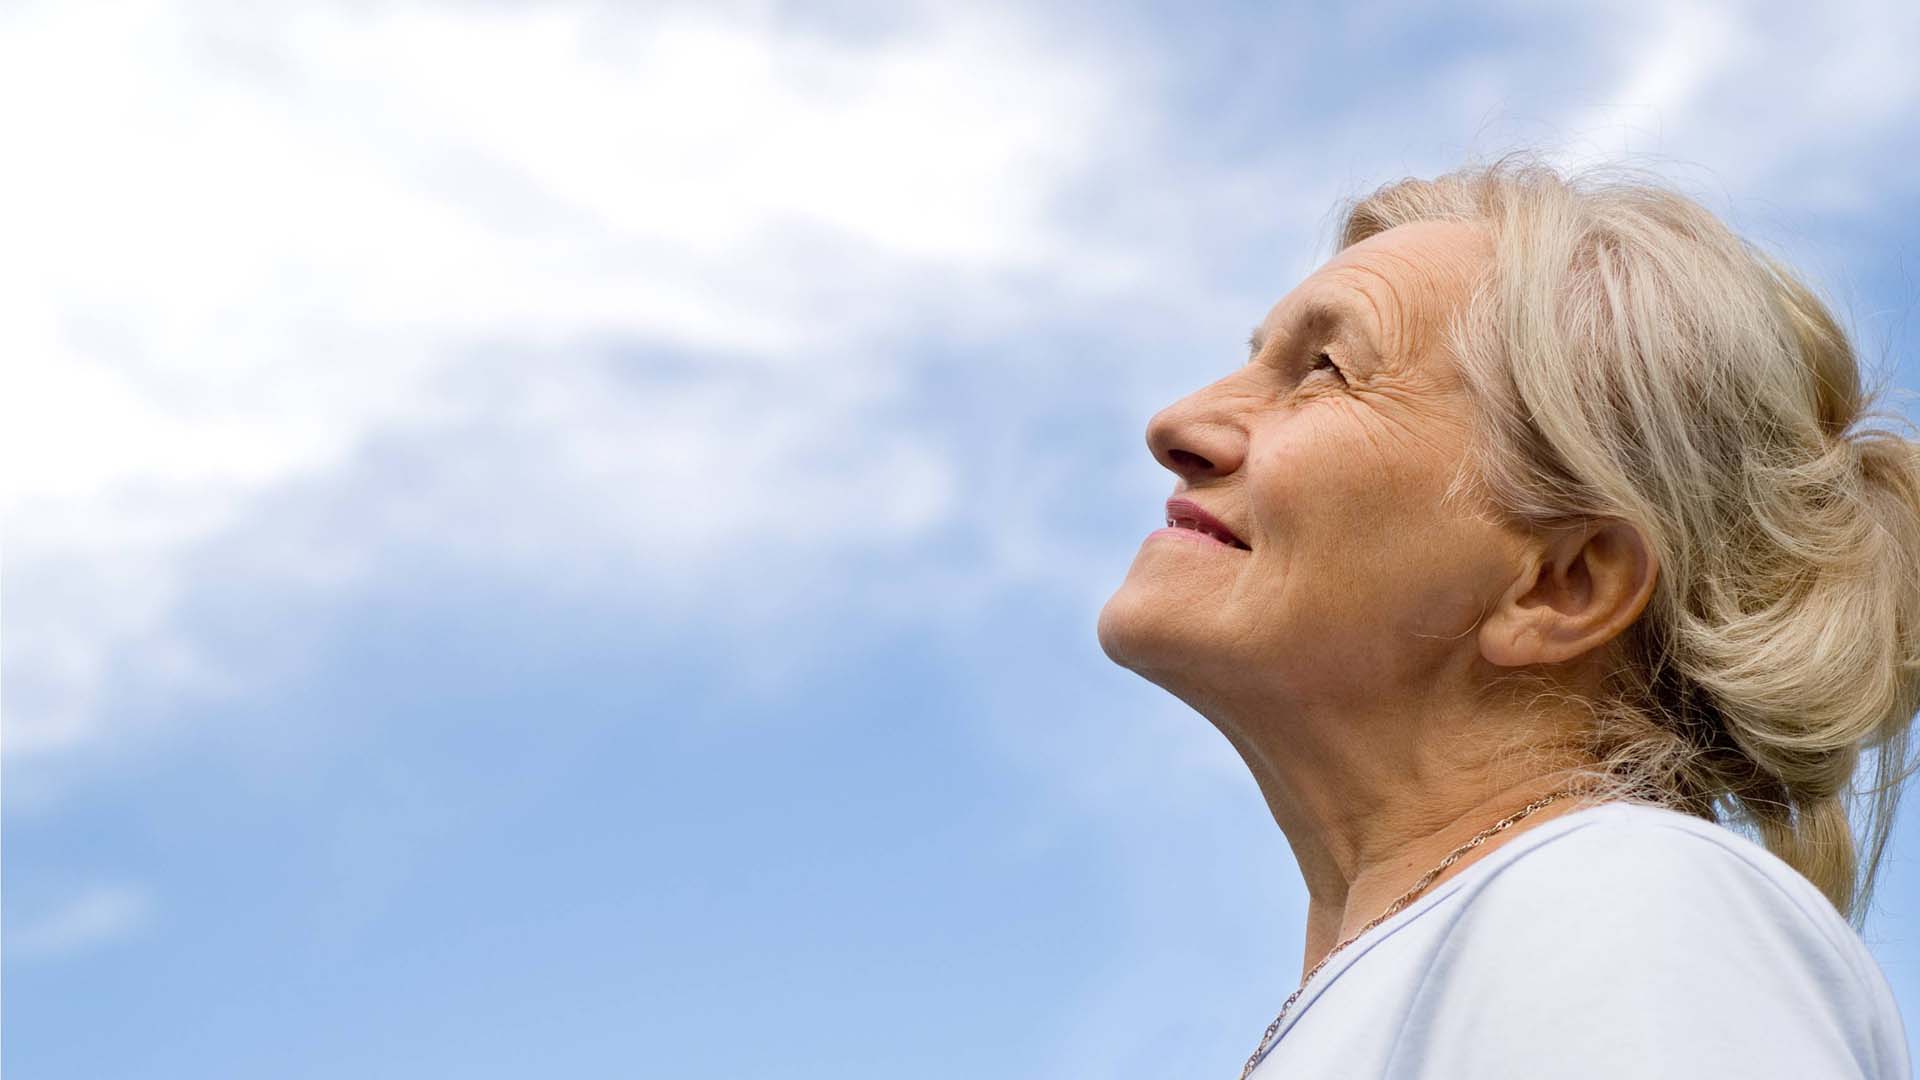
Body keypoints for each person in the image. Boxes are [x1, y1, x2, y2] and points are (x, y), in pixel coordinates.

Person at [1097, 153, 1920, 1078]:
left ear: (1562, 585)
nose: (1178, 423)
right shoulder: (1498, 945)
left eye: (1325, 370)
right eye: (1254, 359)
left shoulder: (1628, 904)